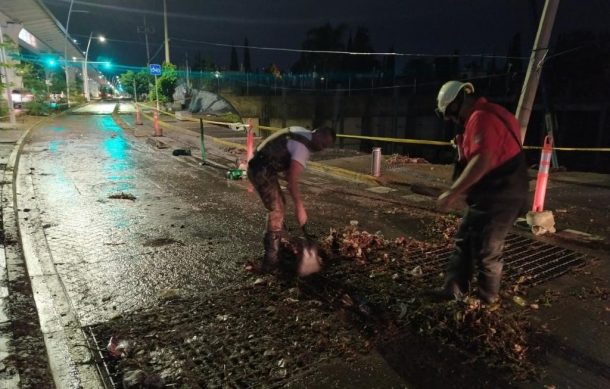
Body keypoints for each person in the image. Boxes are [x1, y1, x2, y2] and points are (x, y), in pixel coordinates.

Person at [432, 81, 528, 304]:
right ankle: (453, 289)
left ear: (457, 103)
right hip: (492, 192)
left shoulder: (481, 118)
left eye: (450, 115)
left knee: (488, 250)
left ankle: (486, 302)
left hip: (503, 194)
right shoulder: (492, 114)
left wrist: (453, 192)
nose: (452, 120)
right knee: (465, 240)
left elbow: (482, 161)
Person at [247, 126, 336, 273]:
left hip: (261, 165)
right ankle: (270, 262)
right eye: (322, 143)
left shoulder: (300, 132)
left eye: (326, 146)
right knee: (276, 209)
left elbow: (289, 174)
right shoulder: (303, 148)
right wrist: (300, 208)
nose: (322, 148)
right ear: (317, 133)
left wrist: (290, 183)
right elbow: (293, 179)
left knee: (280, 204)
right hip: (261, 170)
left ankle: (280, 243)